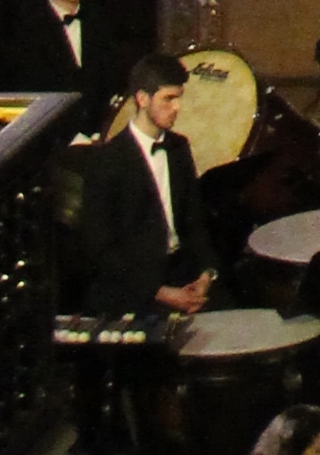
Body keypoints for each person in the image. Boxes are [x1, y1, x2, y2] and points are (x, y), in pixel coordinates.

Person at [68, 54, 216, 324]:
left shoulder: (178, 148)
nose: (177, 108)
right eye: (168, 99)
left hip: (181, 273)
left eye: (179, 98)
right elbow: (100, 249)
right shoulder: (107, 160)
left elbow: (195, 222)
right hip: (134, 286)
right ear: (142, 99)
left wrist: (206, 274)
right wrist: (159, 292)